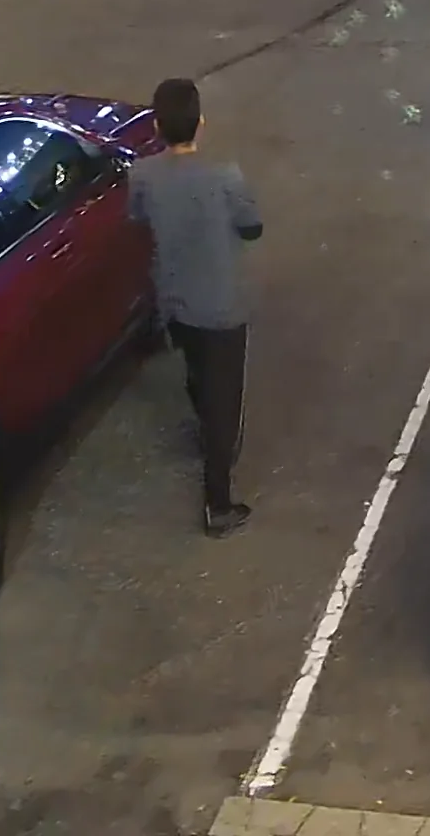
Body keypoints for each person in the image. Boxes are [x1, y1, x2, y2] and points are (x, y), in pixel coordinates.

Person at [125, 76, 263, 534]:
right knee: (227, 404)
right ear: (200, 122)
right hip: (221, 305)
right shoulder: (225, 176)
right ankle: (217, 503)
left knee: (197, 374)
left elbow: (137, 218)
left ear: (158, 126)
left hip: (175, 301)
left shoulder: (143, 175)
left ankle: (204, 426)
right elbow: (252, 226)